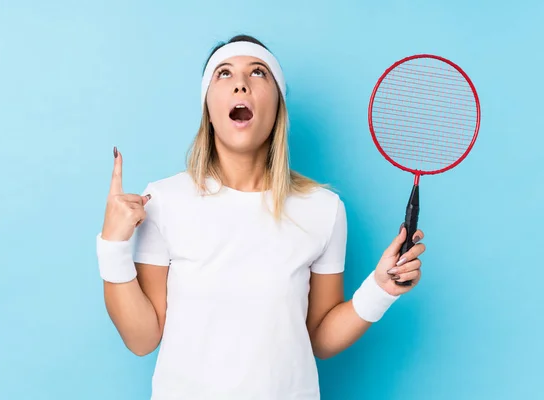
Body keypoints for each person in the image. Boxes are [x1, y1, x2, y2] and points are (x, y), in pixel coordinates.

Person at [95, 34, 425, 399]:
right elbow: (142, 339)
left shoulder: (323, 209)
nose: (240, 83)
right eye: (223, 73)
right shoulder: (164, 201)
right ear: (208, 106)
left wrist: (380, 289)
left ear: (278, 105)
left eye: (258, 72)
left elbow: (320, 338)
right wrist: (113, 246)